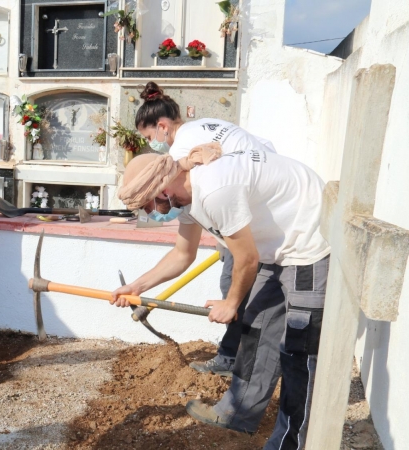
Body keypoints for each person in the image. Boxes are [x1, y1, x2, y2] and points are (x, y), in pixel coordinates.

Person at [112, 143, 330, 448]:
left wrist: (231, 303)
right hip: (278, 249)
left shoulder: (214, 190)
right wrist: (136, 287)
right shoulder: (188, 194)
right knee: (256, 326)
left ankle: (290, 443)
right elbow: (181, 254)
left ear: (162, 191)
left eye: (148, 205)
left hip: (309, 245)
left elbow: (247, 259)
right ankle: (238, 413)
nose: (151, 212)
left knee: (298, 352)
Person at [134, 81, 277, 377]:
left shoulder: (182, 156)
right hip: (265, 201)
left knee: (237, 291)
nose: (153, 145)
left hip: (260, 220)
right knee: (237, 287)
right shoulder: (203, 127)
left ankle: (239, 365)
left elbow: (184, 249)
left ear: (162, 126)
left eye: (150, 137)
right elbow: (184, 249)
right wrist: (138, 287)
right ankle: (238, 360)